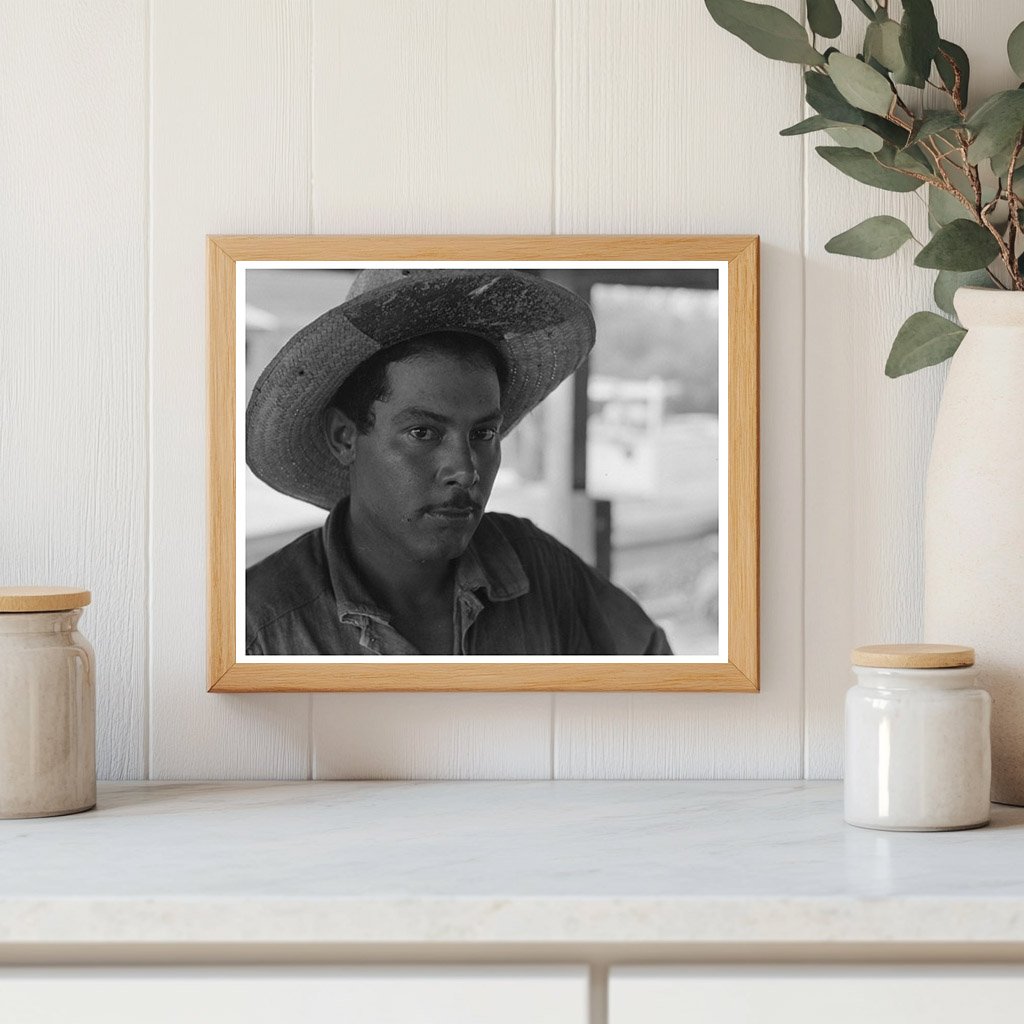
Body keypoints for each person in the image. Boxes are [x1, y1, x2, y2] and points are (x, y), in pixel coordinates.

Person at [245, 268, 672, 656]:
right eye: (423, 433)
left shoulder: (535, 565)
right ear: (345, 438)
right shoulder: (260, 628)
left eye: (483, 434)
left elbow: (658, 683)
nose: (466, 471)